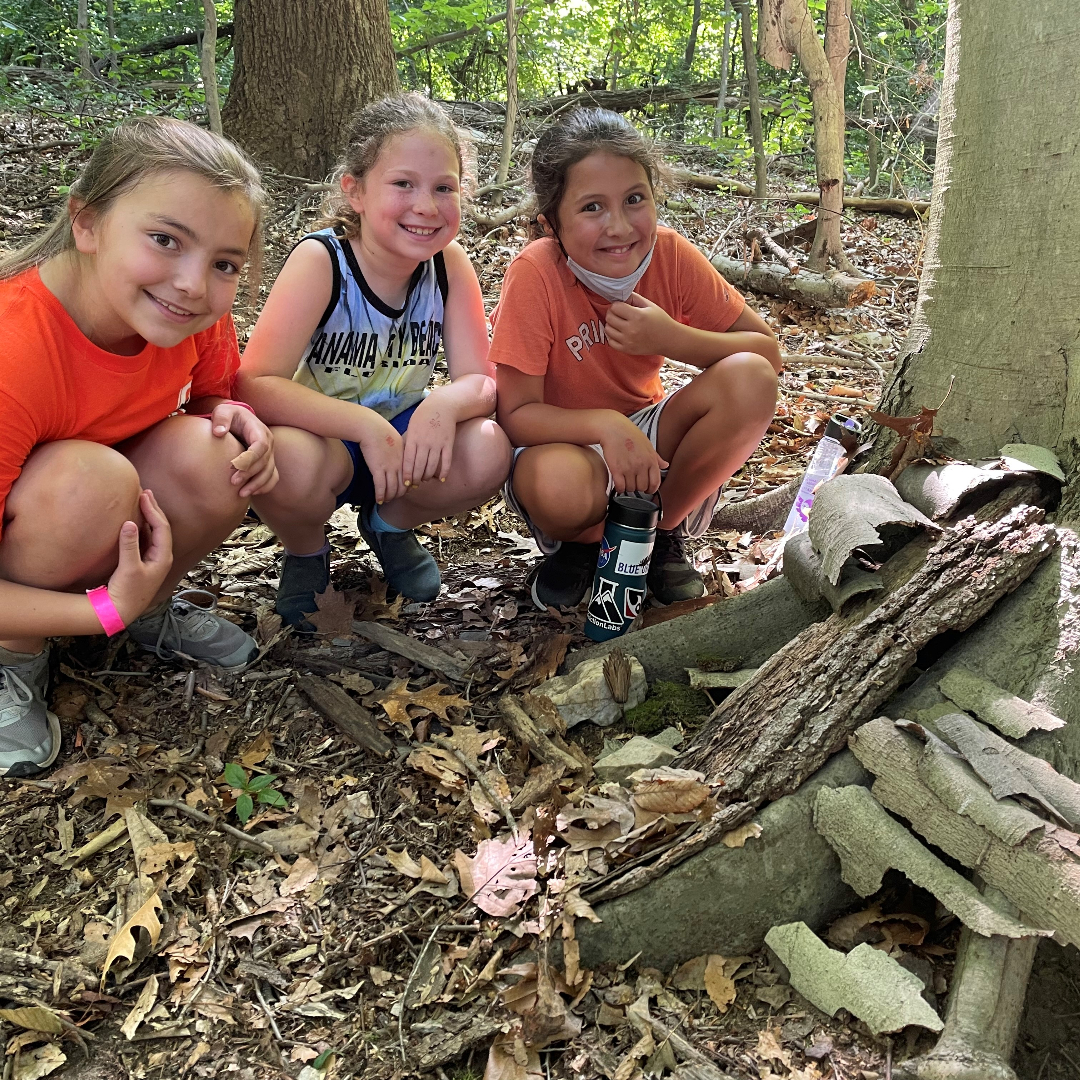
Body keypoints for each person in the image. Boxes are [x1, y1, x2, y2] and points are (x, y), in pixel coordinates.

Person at [0, 116, 279, 777]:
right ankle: (14, 653)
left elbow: (209, 399)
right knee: (88, 482)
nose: (192, 283)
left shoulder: (189, 316)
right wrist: (103, 609)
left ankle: (148, 608)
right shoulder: (15, 353)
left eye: (224, 264)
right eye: (165, 240)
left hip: (97, 533)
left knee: (219, 452)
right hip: (50, 525)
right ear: (87, 223)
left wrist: (234, 415)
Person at [490, 108, 782, 610]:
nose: (620, 226)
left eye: (634, 199)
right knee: (558, 484)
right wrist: (606, 426)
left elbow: (767, 354)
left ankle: (657, 532)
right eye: (592, 207)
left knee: (750, 378)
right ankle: (584, 547)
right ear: (551, 223)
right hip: (560, 443)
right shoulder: (536, 274)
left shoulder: (669, 255)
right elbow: (515, 416)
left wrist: (674, 339)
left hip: (649, 437)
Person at [237, 93, 510, 628]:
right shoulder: (323, 261)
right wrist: (363, 426)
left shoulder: (449, 265)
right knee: (284, 460)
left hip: (404, 445)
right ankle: (306, 550)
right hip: (324, 441)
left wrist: (443, 407)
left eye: (444, 187)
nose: (425, 206)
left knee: (487, 447)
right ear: (355, 190)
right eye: (403, 183)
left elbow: (480, 379)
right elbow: (255, 382)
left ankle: (389, 525)